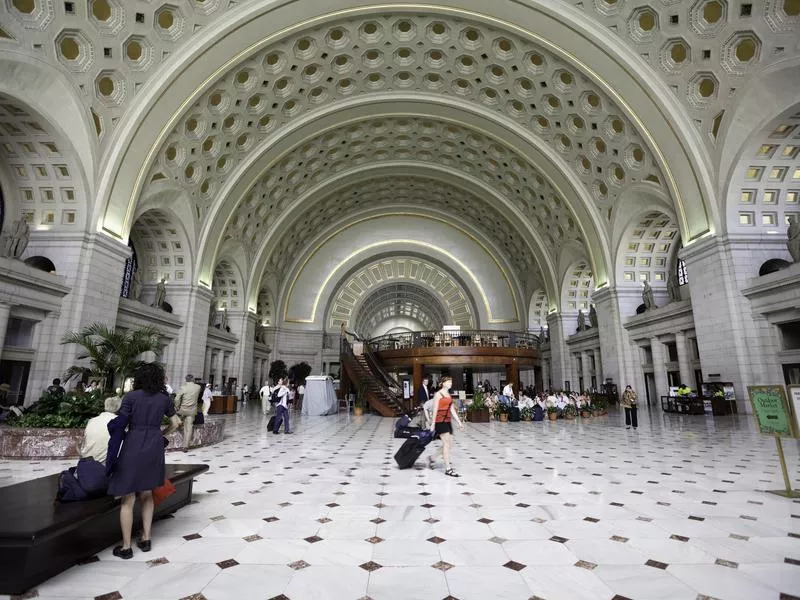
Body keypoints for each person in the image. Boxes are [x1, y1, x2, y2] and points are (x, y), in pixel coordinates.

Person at [107, 363, 180, 559]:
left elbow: (121, 423)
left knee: (127, 498)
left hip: (133, 443)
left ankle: (125, 547)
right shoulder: (164, 399)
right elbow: (176, 423)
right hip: (154, 445)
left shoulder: (131, 397)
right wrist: (161, 434)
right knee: (147, 493)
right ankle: (146, 538)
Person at [427, 376, 465, 477]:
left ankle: (432, 458)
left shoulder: (448, 394)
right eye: (448, 382)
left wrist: (459, 422)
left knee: (449, 444)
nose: (450, 383)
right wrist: (433, 424)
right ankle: (448, 468)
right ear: (443, 383)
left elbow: (452, 410)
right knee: (447, 444)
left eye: (451, 381)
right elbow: (434, 410)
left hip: (447, 421)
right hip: (440, 421)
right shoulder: (438, 394)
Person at [80, 393, 122, 464]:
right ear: (119, 408)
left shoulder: (92, 420)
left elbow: (84, 442)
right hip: (104, 464)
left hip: (86, 460)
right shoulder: (119, 422)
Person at [174, 374, 201, 450]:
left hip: (182, 410)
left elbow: (176, 399)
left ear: (186, 380)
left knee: (176, 423)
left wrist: (177, 407)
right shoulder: (198, 387)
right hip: (191, 411)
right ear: (193, 379)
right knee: (189, 427)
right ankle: (185, 446)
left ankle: (176, 442)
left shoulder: (183, 387)